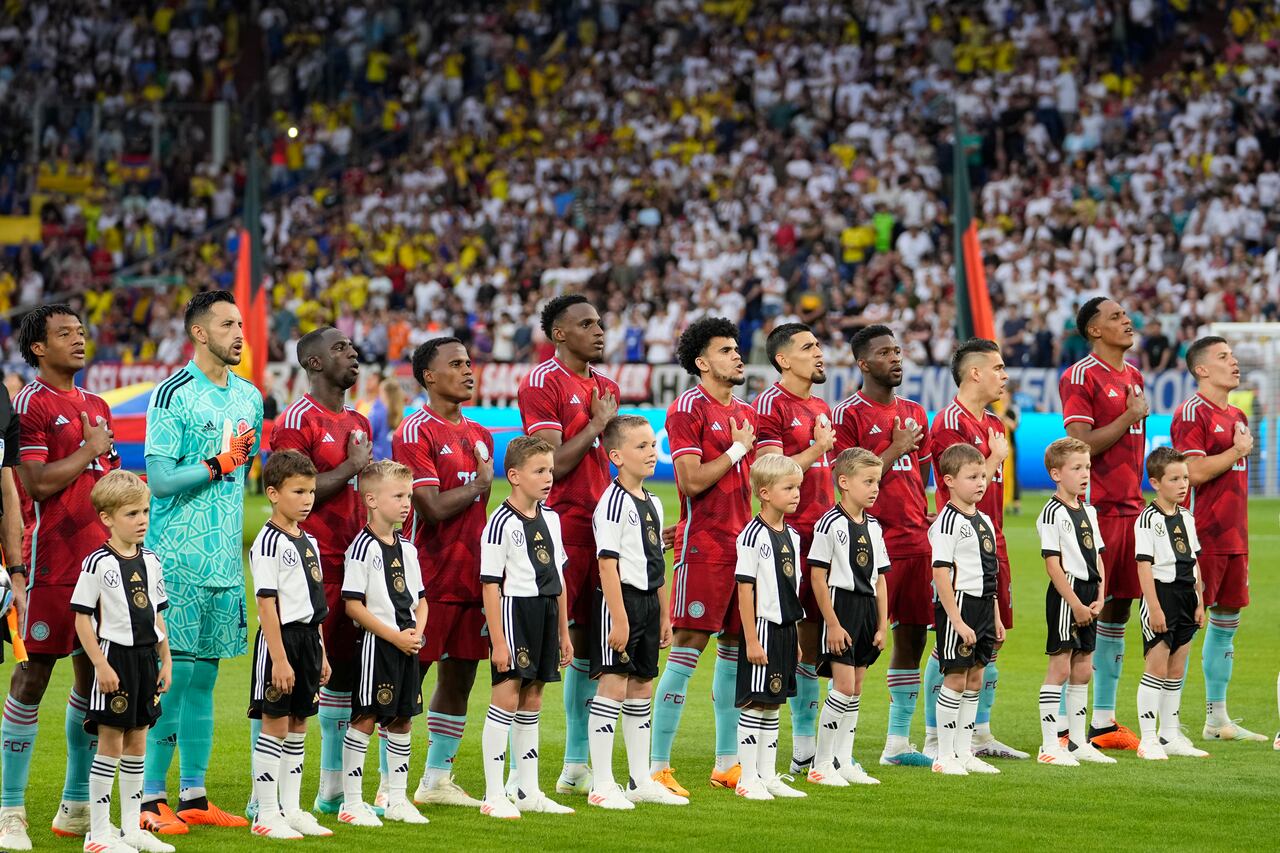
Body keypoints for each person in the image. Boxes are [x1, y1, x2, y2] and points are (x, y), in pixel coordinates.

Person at [142, 290, 263, 833]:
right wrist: (219, 462)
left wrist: (230, 464)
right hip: (177, 558)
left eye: (241, 324)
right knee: (176, 676)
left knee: (207, 680)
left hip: (223, 562)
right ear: (199, 332)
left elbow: (244, 471)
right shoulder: (172, 394)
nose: (239, 333)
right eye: (227, 324)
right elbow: (162, 481)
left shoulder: (250, 397)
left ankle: (193, 795)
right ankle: (149, 799)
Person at [1, 305, 118, 850]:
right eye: (64, 333)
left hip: (101, 564)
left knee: (93, 678)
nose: (79, 339)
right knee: (32, 677)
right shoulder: (30, 402)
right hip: (51, 562)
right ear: (38, 348)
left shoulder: (95, 404)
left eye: (81, 331)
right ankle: (9, 812)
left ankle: (75, 807)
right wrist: (91, 450)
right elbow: (38, 483)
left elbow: (105, 482)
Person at [516, 295, 619, 796]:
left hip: (605, 527)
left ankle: (577, 765)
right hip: (560, 526)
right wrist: (598, 424)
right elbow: (550, 463)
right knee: (557, 643)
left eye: (599, 322)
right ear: (559, 334)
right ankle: (523, 772)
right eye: (586, 324)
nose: (598, 330)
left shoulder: (607, 386)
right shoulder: (542, 382)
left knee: (596, 646)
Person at [649, 317, 756, 796]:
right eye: (726, 350)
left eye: (737, 349)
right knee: (689, 646)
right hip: (706, 547)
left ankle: (728, 763)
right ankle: (657, 764)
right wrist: (736, 449)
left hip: (744, 544)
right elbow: (690, 481)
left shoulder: (747, 412)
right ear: (702, 362)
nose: (737, 356)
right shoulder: (686, 409)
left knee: (735, 652)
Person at [267, 328, 371, 816]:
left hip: (353, 563)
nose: (351, 354)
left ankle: (330, 789)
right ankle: (262, 796)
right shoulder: (296, 420)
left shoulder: (358, 419)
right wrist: (352, 466)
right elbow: (294, 490)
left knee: (344, 675)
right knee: (290, 680)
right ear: (311, 362)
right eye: (338, 349)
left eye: (351, 347)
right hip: (306, 566)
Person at [393, 338, 494, 807]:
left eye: (469, 363)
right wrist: (478, 484)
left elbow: (480, 511)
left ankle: (436, 780)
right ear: (428, 376)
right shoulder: (415, 431)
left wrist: (479, 490)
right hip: (426, 577)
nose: (468, 371)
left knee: (461, 678)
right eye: (456, 364)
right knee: (410, 677)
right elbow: (430, 508)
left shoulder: (480, 434)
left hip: (471, 577)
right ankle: (389, 785)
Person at [831, 325, 933, 769]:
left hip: (915, 539)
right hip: (869, 543)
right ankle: (827, 751)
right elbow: (849, 480)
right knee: (858, 646)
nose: (895, 358)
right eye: (884, 352)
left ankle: (896, 742)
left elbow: (924, 478)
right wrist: (893, 449)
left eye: (897, 351)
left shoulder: (915, 411)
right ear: (863, 363)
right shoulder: (848, 413)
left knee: (911, 638)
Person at [926, 338, 1024, 760]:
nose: (1005, 375)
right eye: (999, 368)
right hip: (963, 545)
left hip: (992, 539)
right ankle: (936, 737)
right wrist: (995, 459)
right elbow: (960, 490)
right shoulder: (950, 422)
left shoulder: (993, 423)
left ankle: (978, 733)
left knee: (990, 638)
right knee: (951, 644)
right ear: (975, 373)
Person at [1059, 297, 1148, 750]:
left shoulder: (1133, 376)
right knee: (1083, 612)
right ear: (1093, 331)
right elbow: (1077, 446)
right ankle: (1062, 722)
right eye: (1114, 316)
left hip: (1131, 508)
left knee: (1118, 613)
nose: (1126, 320)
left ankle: (1103, 722)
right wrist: (1131, 416)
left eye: (1125, 314)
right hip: (1095, 511)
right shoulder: (1080, 375)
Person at [584, 416, 687, 809]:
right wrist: (620, 617)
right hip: (620, 602)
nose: (651, 452)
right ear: (616, 456)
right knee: (613, 685)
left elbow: (656, 564)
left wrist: (664, 614)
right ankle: (602, 784)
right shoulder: (611, 502)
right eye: (641, 446)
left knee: (641, 686)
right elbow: (606, 564)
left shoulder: (654, 502)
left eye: (651, 444)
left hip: (648, 602)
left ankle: (639, 779)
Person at [71, 471, 173, 853]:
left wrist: (166, 659)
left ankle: (131, 828)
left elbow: (159, 614)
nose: (142, 519)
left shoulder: (151, 559)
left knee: (138, 741)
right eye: (132, 513)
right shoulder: (97, 562)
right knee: (111, 742)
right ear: (107, 518)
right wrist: (100, 664)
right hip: (114, 659)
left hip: (147, 659)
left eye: (145, 511)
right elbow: (82, 617)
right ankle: (98, 833)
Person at [1171, 337, 1267, 742]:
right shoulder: (1191, 413)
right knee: (1185, 626)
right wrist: (1237, 451)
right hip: (1202, 536)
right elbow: (1191, 473)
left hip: (1235, 537)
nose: (1235, 362)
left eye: (1233, 356)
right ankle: (1168, 723)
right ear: (1201, 369)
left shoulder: (1239, 414)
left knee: (1226, 625)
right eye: (1223, 357)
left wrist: (1238, 448)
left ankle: (1217, 719)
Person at [751, 323, 834, 775]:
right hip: (787, 540)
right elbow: (769, 474)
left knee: (820, 643)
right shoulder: (770, 404)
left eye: (819, 345)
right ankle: (800, 749)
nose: (819, 353)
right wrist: (818, 447)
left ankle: (811, 750)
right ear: (783, 359)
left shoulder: (820, 404)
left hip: (822, 534)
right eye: (808, 347)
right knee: (795, 643)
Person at [477, 436, 575, 819]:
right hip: (514, 612)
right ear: (514, 476)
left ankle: (527, 790)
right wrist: (498, 642)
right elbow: (490, 585)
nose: (548, 478)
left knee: (533, 700)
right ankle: (492, 794)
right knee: (506, 698)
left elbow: (559, 577)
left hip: (547, 613)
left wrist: (564, 631)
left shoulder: (551, 518)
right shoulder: (499, 522)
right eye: (539, 471)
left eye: (550, 470)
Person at [246, 451, 334, 839]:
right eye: (298, 491)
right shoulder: (267, 542)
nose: (307, 499)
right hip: (279, 642)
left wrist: (322, 652)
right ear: (273, 493)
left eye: (311, 491)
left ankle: (292, 808)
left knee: (299, 724)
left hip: (308, 640)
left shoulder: (308, 539)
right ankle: (266, 814)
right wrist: (279, 660)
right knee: (275, 725)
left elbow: (312, 604)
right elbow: (267, 604)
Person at [338, 461, 430, 827]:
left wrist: (417, 633)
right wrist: (393, 635)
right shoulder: (362, 548)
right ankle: (352, 802)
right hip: (379, 646)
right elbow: (352, 605)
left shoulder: (408, 548)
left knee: (403, 721)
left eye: (408, 496)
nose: (407, 503)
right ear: (372, 499)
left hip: (408, 644)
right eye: (398, 496)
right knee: (366, 718)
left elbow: (421, 599)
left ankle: (397, 798)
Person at [806, 448, 888, 787]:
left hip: (868, 609)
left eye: (877, 482)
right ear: (844, 482)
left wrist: (883, 624)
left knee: (855, 690)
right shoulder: (830, 523)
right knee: (841, 687)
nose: (874, 488)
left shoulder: (874, 525)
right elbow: (816, 576)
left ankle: (843, 760)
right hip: (841, 607)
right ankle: (821, 764)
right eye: (867, 481)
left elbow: (881, 578)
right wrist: (834, 623)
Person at [1034, 438, 1115, 767]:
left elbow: (1098, 556)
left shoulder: (1089, 511)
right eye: (1077, 468)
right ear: (1056, 473)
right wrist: (1076, 603)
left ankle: (1079, 741)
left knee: (1083, 668)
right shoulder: (1052, 512)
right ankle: (1049, 745)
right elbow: (1053, 566)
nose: (1085, 474)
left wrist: (1099, 595)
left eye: (1087, 468)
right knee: (1061, 666)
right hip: (1067, 594)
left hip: (1088, 594)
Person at [732, 453, 807, 801]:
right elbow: (745, 589)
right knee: (756, 702)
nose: (796, 494)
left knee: (775, 701)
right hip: (761, 628)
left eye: (798, 487)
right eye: (788, 488)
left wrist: (795, 635)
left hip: (785, 629)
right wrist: (750, 639)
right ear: (764, 492)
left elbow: (791, 588)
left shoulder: (792, 535)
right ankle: (747, 778)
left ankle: (766, 773)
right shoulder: (751, 535)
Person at [928, 443, 1004, 777]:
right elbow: (940, 572)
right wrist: (956, 620)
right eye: (971, 476)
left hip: (985, 605)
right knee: (956, 677)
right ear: (949, 481)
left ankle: (964, 750)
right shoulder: (947, 522)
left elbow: (991, 572)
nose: (980, 482)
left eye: (983, 476)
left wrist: (997, 616)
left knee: (976, 677)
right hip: (959, 605)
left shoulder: (984, 519)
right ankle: (944, 755)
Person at [1134, 447, 1209, 760]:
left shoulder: (1187, 518)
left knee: (1176, 669)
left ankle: (1170, 734)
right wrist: (1154, 607)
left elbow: (1194, 560)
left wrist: (1200, 602)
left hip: (1186, 597)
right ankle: (1148, 739)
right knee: (1157, 666)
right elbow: (1144, 565)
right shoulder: (1147, 520)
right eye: (1175, 479)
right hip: (1161, 596)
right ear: (1156, 482)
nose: (1183, 485)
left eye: (1186, 478)